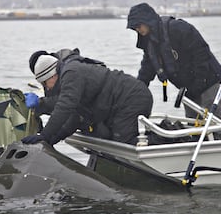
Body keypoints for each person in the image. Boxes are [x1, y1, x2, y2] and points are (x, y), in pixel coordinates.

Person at [127, 2, 221, 139]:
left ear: (147, 21)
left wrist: (200, 80)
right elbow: (147, 69)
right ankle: (199, 151)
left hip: (208, 79)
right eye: (135, 28)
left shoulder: (177, 28)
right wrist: (137, 88)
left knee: (214, 120)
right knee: (193, 123)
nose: (138, 30)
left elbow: (201, 52)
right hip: (188, 86)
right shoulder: (149, 43)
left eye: (138, 26)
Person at [21, 52, 153, 146]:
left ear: (51, 76)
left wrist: (44, 134)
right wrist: (49, 140)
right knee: (113, 139)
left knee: (124, 142)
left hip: (132, 98)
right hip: (121, 102)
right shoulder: (68, 78)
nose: (46, 88)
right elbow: (74, 119)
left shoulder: (71, 73)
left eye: (44, 84)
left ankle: (166, 141)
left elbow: (64, 107)